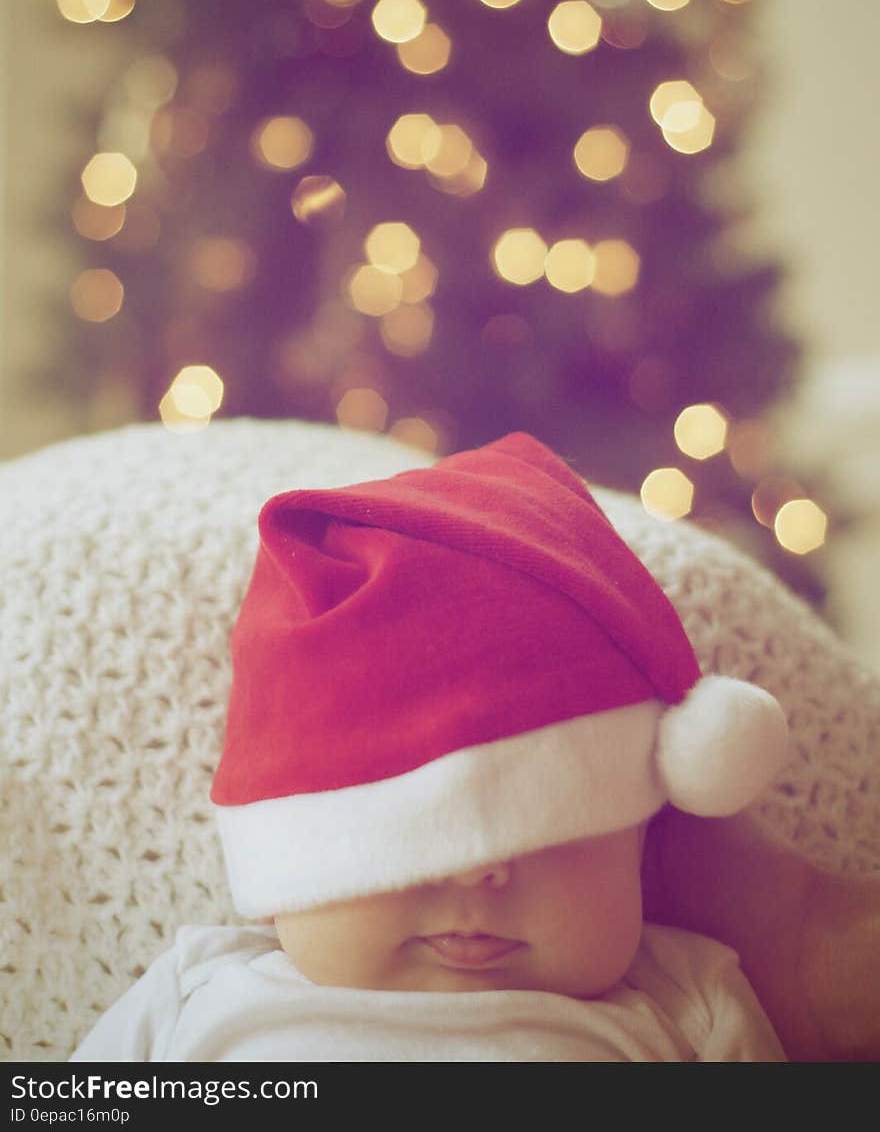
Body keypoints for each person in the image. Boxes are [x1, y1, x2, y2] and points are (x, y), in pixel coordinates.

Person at [71, 430, 809, 1061]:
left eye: (545, 816)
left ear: (638, 830)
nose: (477, 864)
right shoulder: (200, 988)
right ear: (284, 865)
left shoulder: (683, 996)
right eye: (409, 829)